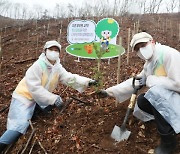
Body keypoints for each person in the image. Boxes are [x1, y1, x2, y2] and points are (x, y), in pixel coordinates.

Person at [0, 40, 98, 152]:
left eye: (56, 50)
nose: (53, 52)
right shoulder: (37, 66)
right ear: (45, 51)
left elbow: (69, 78)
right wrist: (53, 98)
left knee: (48, 108)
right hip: (24, 97)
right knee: (18, 127)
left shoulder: (57, 67)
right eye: (51, 49)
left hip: (38, 99)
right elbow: (35, 88)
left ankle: (34, 111)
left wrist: (87, 82)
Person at [98, 32, 180, 154]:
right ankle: (164, 119)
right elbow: (136, 82)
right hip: (168, 99)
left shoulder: (169, 54)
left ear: (152, 41)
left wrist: (151, 80)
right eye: (137, 49)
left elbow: (178, 83)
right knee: (142, 100)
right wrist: (109, 92)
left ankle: (168, 141)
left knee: (155, 93)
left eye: (143, 45)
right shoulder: (150, 63)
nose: (141, 50)